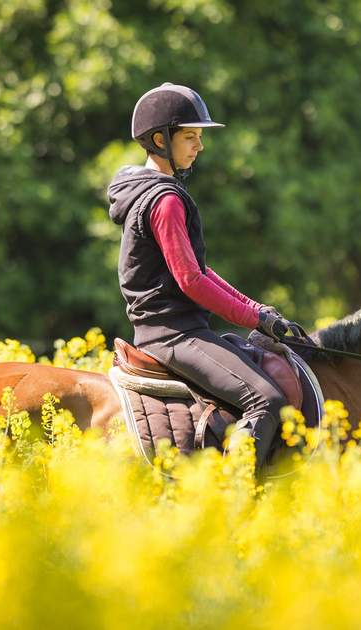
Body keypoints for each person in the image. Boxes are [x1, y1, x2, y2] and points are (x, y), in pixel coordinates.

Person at [107, 82, 302, 472]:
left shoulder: (155, 192)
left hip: (174, 330)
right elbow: (191, 281)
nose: (200, 146)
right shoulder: (164, 200)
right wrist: (253, 319)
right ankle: (230, 498)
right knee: (267, 401)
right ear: (160, 139)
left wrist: (258, 311)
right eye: (191, 136)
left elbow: (200, 270)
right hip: (173, 336)